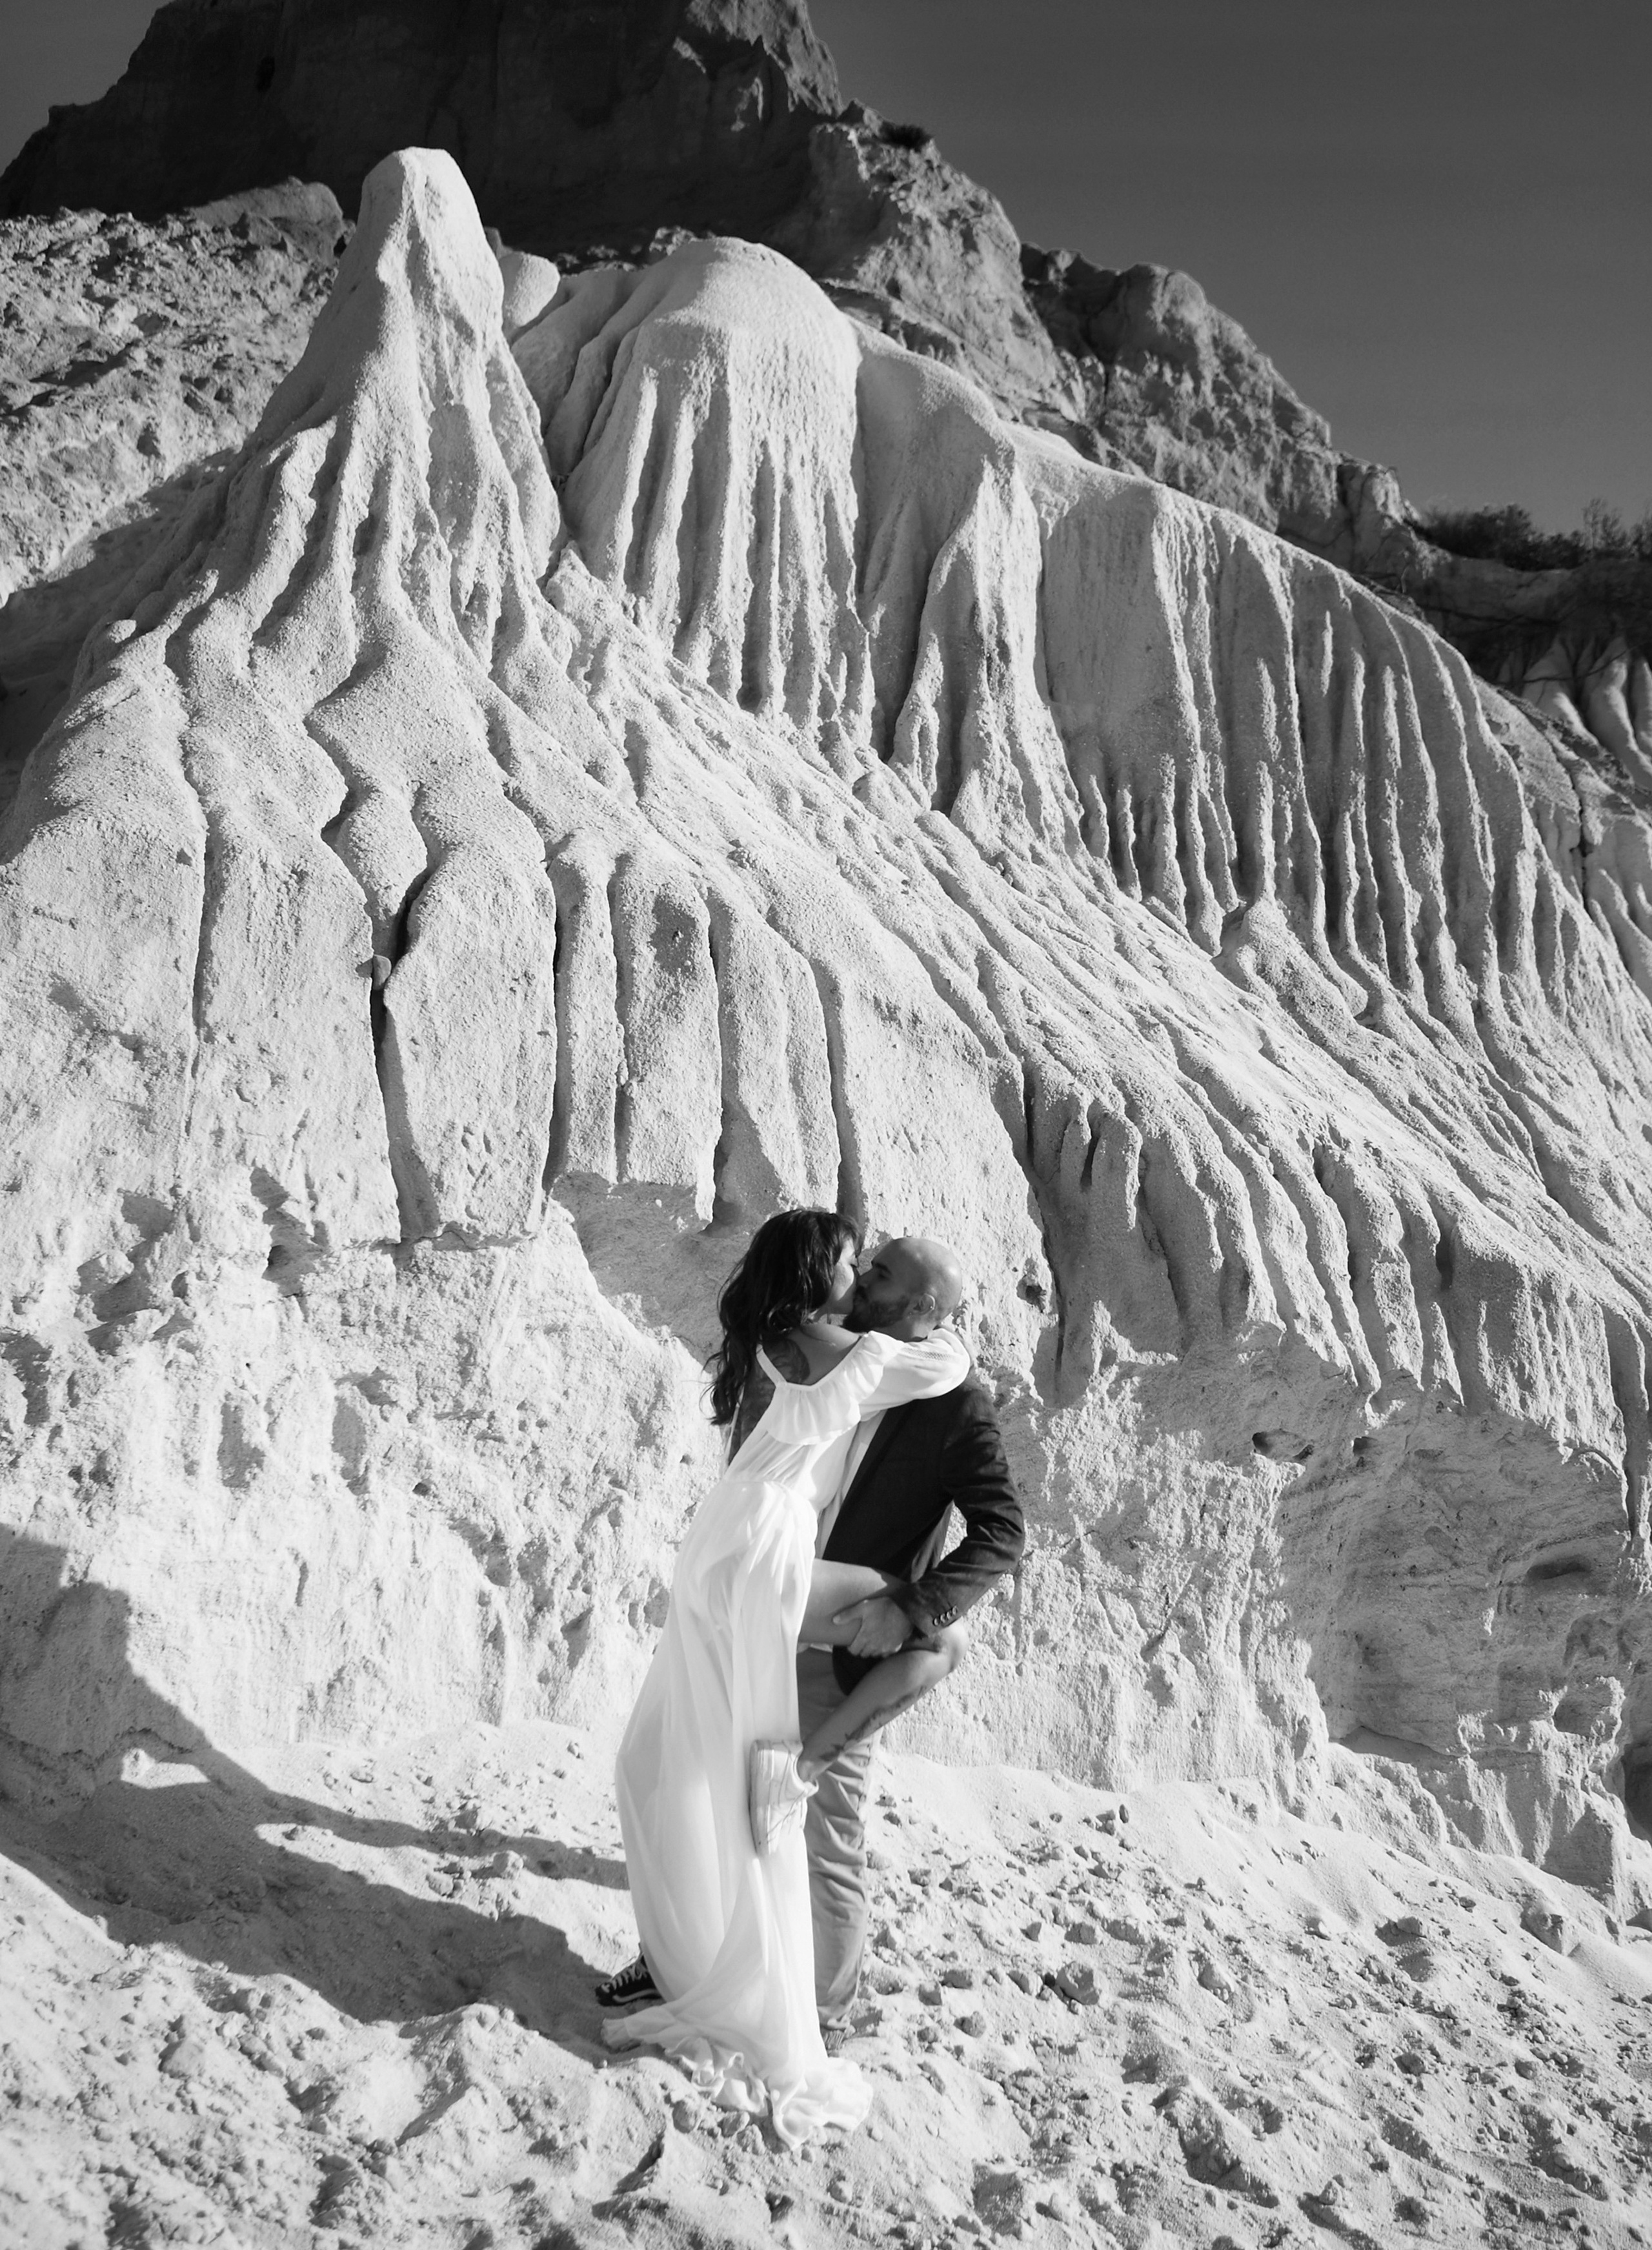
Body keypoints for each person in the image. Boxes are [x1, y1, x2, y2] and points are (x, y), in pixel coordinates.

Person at [598, 1210, 974, 2145]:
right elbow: (949, 1363)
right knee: (933, 1640)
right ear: (824, 1275)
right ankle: (796, 1780)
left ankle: (688, 1948)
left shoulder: (780, 1338)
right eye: (857, 1260)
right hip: (766, 1549)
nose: (862, 1272)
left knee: (694, 1746)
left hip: (722, 1544)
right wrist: (941, 1318)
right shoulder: (848, 1349)